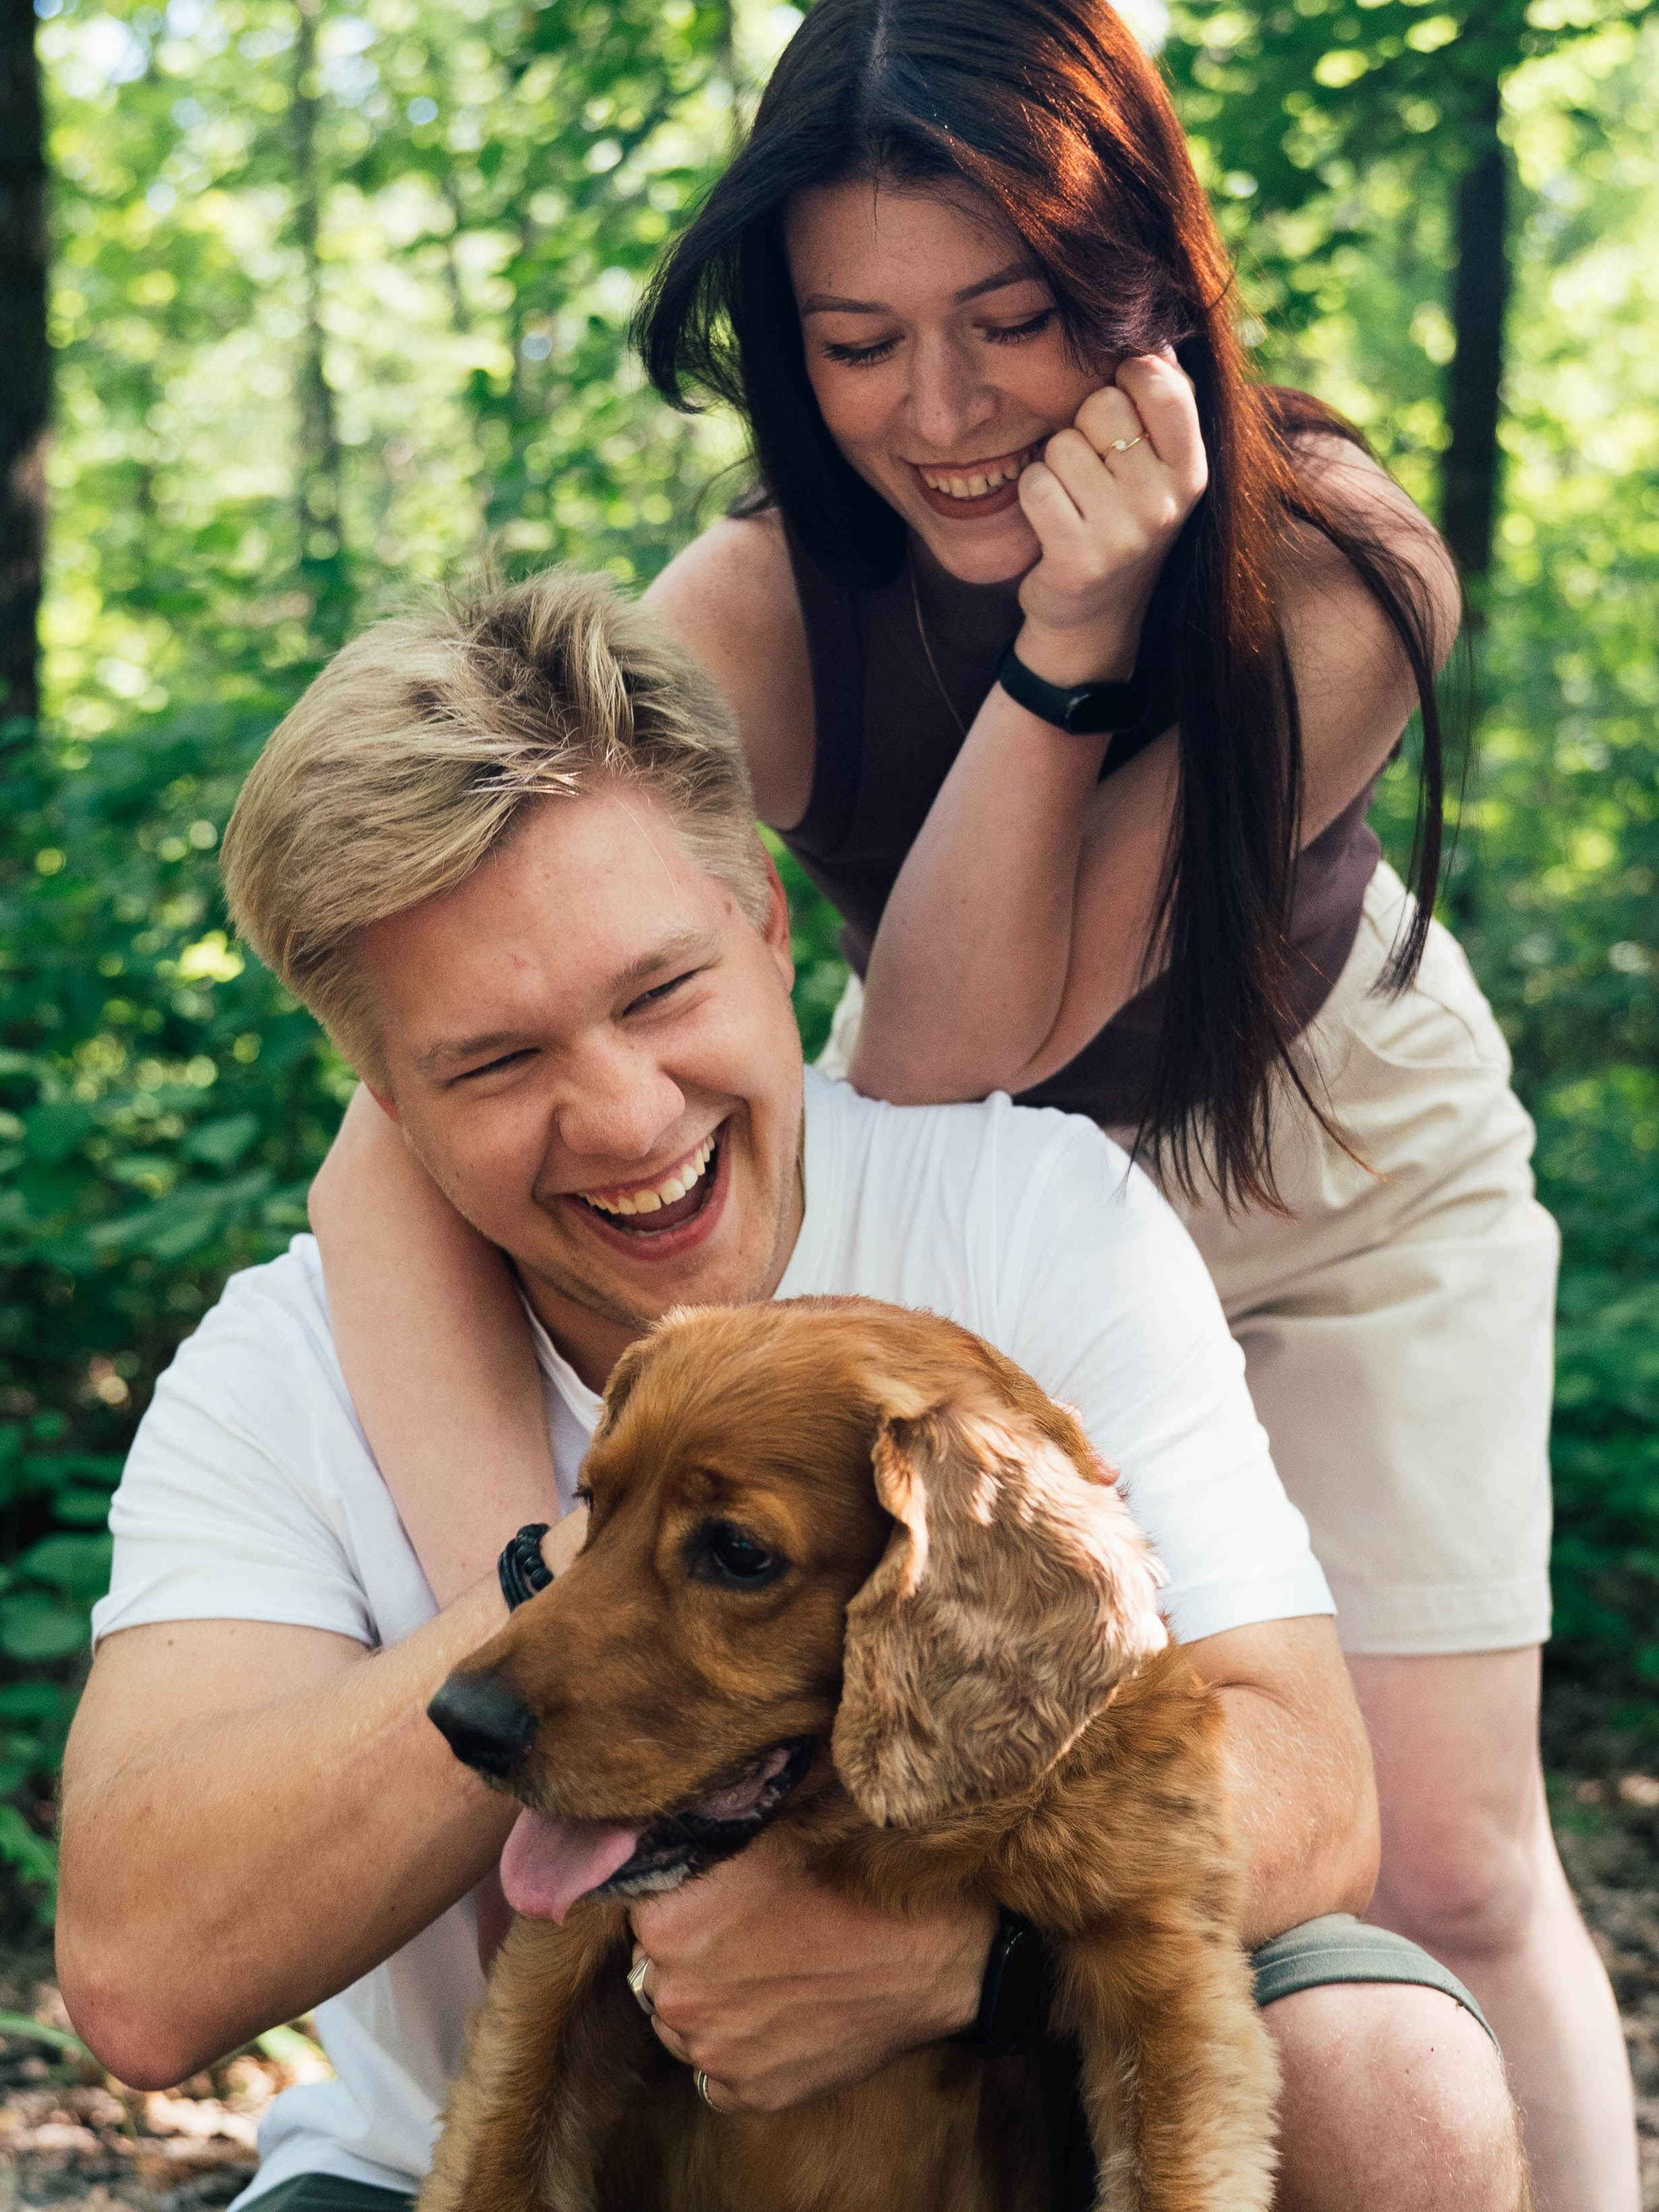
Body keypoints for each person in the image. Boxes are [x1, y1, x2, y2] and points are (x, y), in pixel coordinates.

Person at [301, 4, 1635, 2204]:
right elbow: (427, 1085)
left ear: (1141, 282)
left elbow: (957, 1034)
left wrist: (1075, 629)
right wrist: (527, 1590)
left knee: (1440, 1859)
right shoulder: (755, 601)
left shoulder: (1336, 562)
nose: (939, 412)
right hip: (977, 1180)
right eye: (856, 342)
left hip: (1325, 1151)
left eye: (1008, 321)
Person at [57, 572, 1527, 2212]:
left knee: (1393, 2076)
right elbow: (141, 1978)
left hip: (1000, 2131)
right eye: (496, 1061)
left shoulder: (1032, 1217)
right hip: (451, 2171)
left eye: (658, 992)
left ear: (764, 919)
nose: (627, 1118)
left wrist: (951, 1947)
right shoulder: (281, 1376)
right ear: (385, 1097)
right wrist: (564, 1584)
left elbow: (1312, 1785)